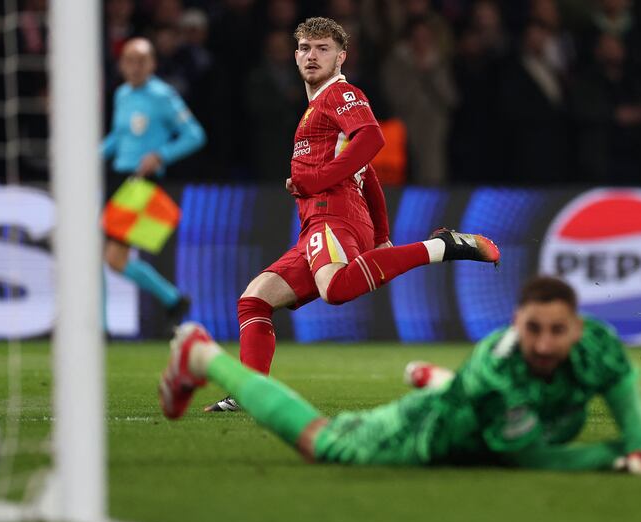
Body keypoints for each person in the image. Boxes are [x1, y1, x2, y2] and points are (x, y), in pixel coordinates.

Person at [202, 17, 499, 412]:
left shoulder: (340, 94)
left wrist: (319, 178)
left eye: (322, 49)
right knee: (254, 300)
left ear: (341, 57)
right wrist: (380, 234)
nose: (312, 55)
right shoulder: (314, 108)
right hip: (321, 220)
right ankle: (249, 393)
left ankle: (440, 246)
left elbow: (372, 138)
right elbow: (368, 173)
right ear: (294, 56)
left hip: (333, 214)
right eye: (306, 48)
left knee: (336, 288)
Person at [158, 276, 641, 474]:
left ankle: (438, 378)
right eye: (532, 329)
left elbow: (625, 393)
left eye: (556, 332)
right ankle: (202, 355)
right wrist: (622, 454)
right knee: (322, 443)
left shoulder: (598, 346)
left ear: (577, 330)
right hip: (426, 435)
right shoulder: (499, 373)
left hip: (477, 414)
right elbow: (532, 458)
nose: (542, 343)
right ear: (516, 323)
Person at [101, 37, 206, 323]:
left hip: (141, 183)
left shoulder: (163, 96)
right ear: (121, 64)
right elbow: (119, 137)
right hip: (117, 178)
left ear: (152, 64)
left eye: (141, 61)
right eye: (129, 60)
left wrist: (160, 155)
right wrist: (93, 155)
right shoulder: (122, 94)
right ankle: (173, 299)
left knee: (110, 256)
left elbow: (195, 135)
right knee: (111, 259)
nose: (134, 67)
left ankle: (98, 325)